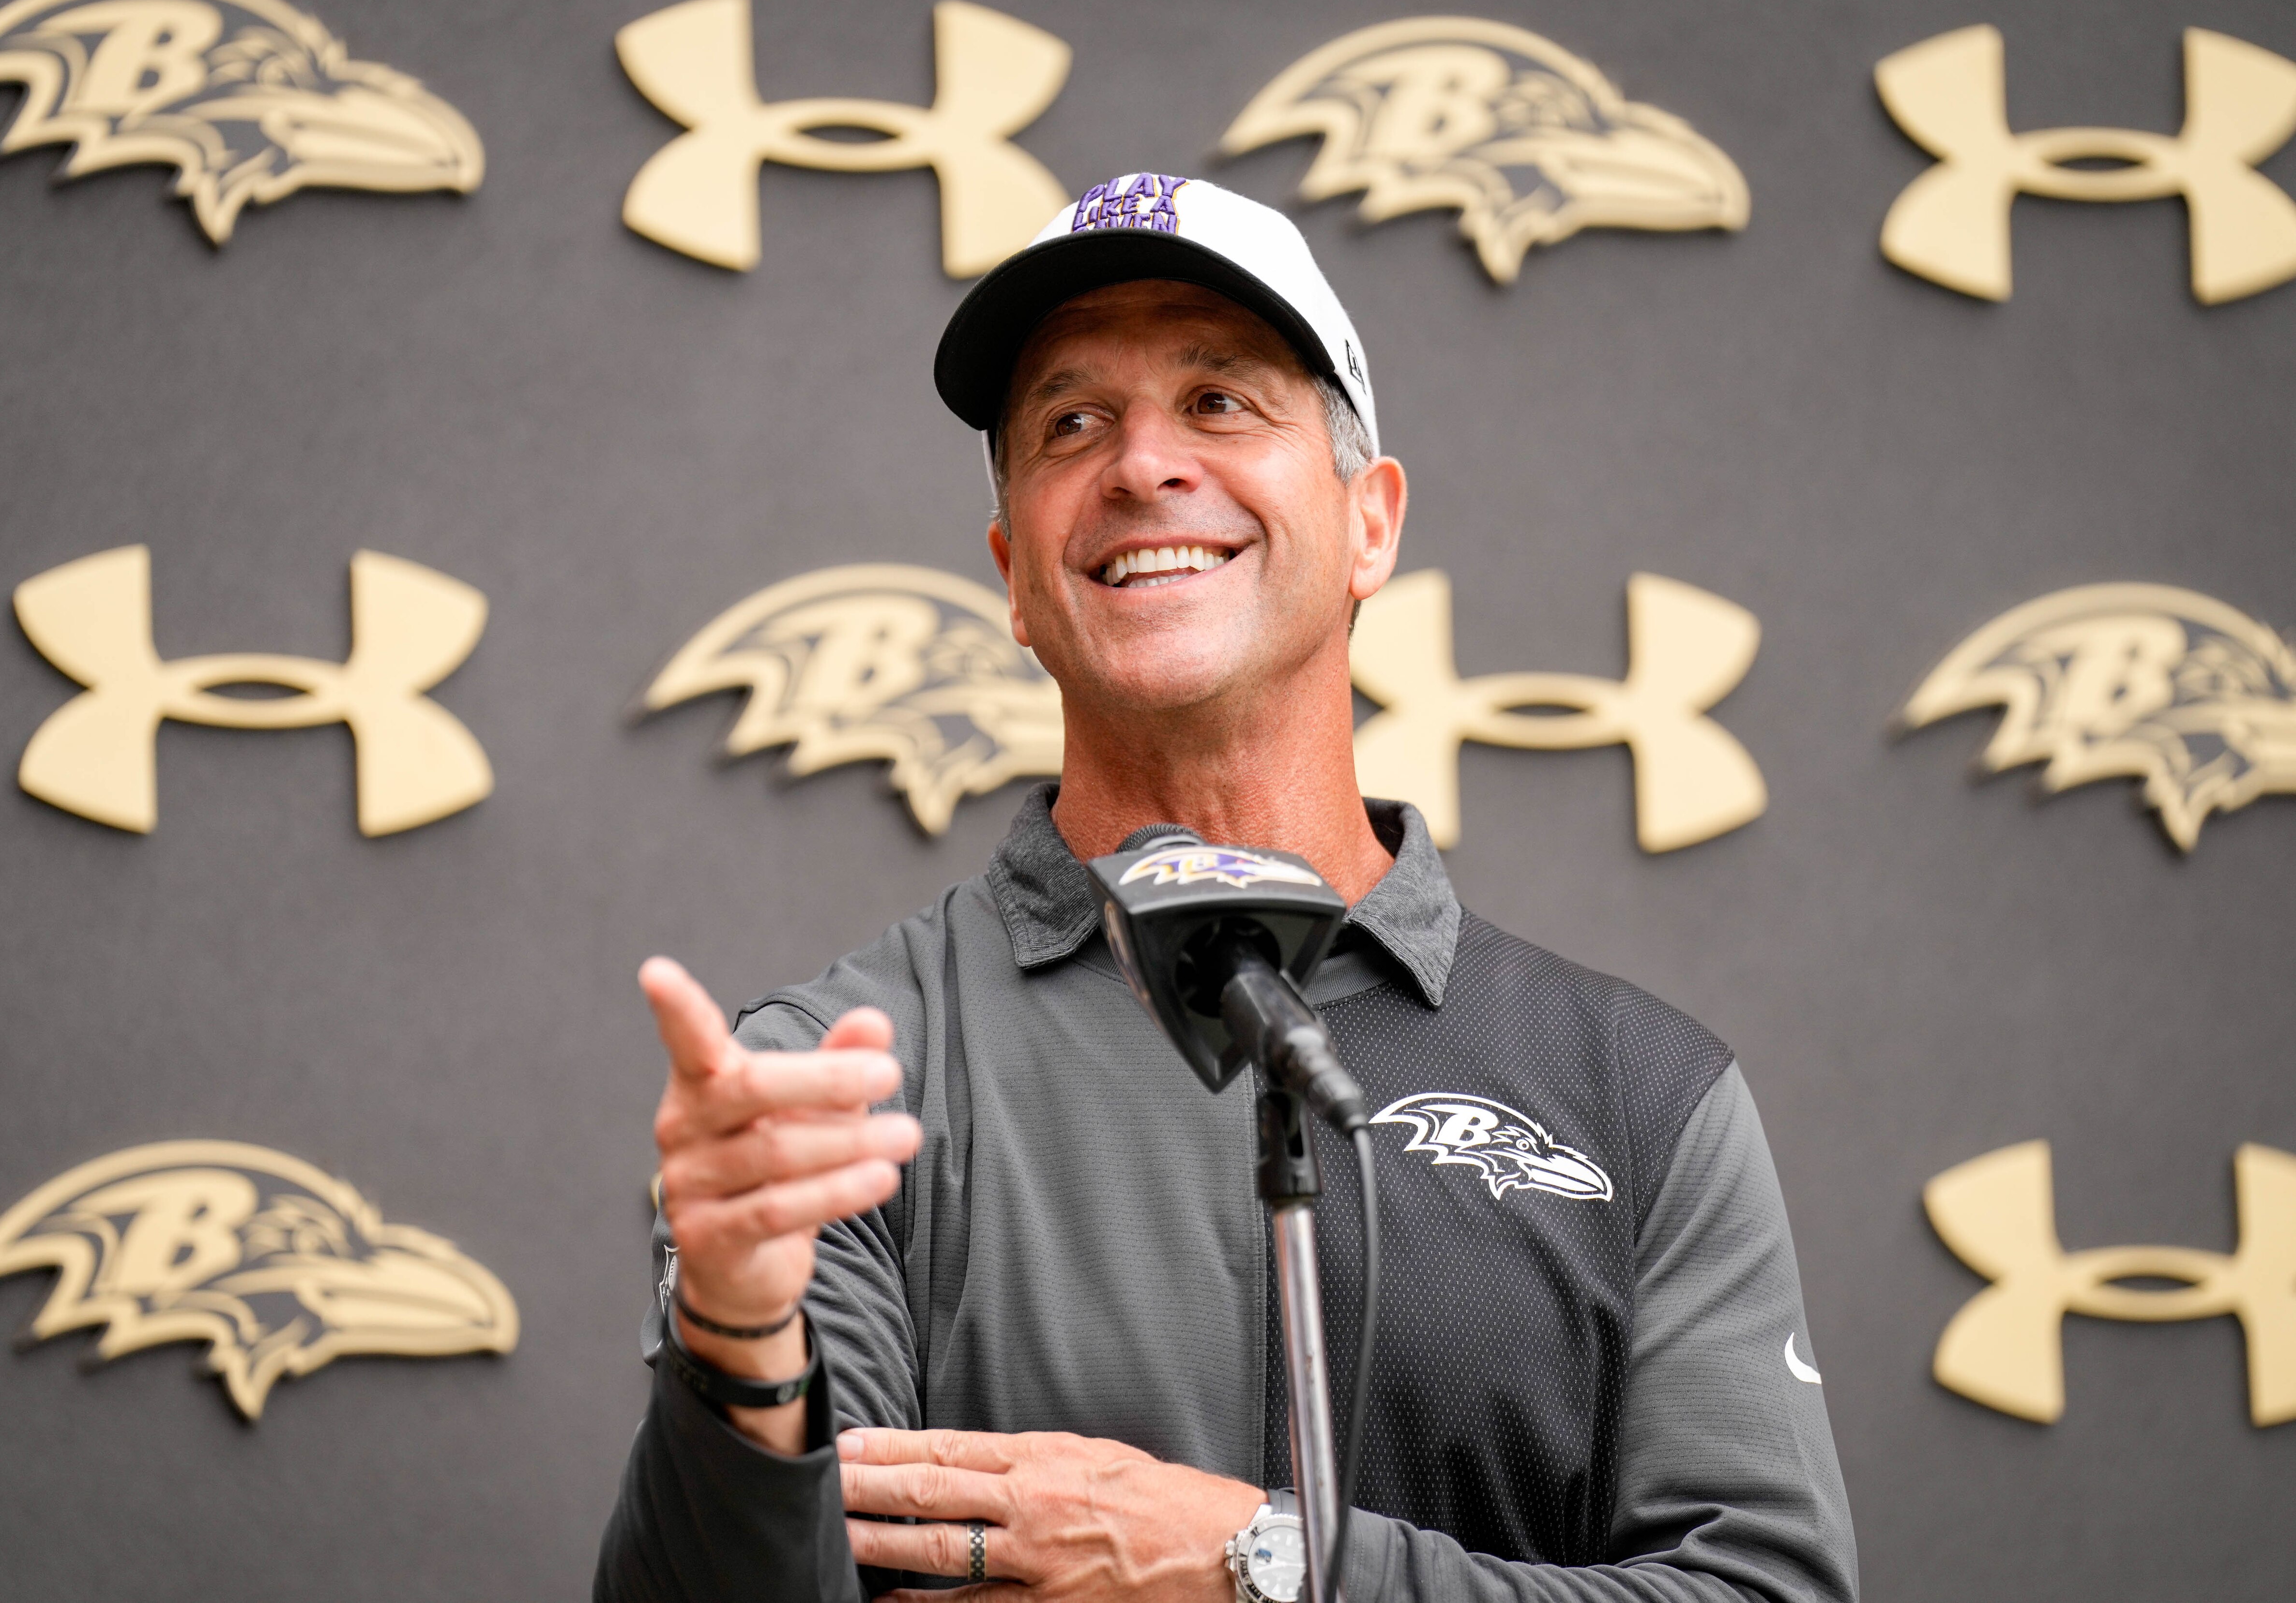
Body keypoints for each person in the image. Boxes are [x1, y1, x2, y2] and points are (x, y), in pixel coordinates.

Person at [595, 173, 1857, 1603]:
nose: (1143, 466)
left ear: (1369, 524)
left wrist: (1253, 1566)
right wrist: (741, 1347)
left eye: (1220, 402)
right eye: (1073, 424)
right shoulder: (836, 1084)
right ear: (1016, 578)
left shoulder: (1640, 1096)